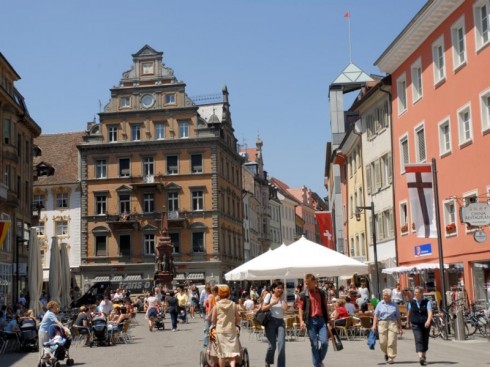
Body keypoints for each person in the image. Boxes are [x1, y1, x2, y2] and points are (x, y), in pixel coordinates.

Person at [298, 274, 329, 367]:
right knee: (314, 345)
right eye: (306, 284)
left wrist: (329, 319)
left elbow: (325, 306)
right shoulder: (303, 294)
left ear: (314, 282)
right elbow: (300, 308)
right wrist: (301, 321)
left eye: (308, 284)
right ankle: (317, 365)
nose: (307, 285)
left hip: (321, 320)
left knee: (324, 343)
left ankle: (318, 361)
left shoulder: (321, 293)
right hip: (311, 321)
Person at [372, 288, 403, 365]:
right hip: (382, 323)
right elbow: (376, 315)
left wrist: (400, 327)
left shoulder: (394, 305)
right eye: (383, 295)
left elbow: (398, 317)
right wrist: (374, 325)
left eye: (386, 295)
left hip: (392, 323)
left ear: (390, 296)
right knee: (382, 342)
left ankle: (391, 357)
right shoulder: (380, 304)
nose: (384, 296)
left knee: (392, 341)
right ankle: (387, 352)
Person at [211, 285, 240, 367]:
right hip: (231, 330)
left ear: (219, 295)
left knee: (221, 354)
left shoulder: (216, 305)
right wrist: (234, 322)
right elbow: (238, 319)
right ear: (229, 294)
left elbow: (213, 320)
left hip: (221, 331)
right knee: (232, 353)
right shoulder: (233, 304)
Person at [262, 281, 289, 367]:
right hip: (271, 322)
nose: (280, 289)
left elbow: (285, 308)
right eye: (278, 288)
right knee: (272, 346)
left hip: (281, 322)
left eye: (281, 288)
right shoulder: (268, 296)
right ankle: (268, 361)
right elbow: (263, 308)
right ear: (273, 289)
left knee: (282, 345)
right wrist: (272, 303)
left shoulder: (282, 297)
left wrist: (281, 299)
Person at [406, 287, 433, 366]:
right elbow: (409, 313)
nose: (415, 293)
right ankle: (421, 357)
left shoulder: (426, 302)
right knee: (418, 339)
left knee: (425, 339)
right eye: (415, 292)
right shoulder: (412, 302)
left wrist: (428, 321)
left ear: (421, 293)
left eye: (417, 292)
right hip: (415, 324)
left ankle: (423, 355)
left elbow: (430, 312)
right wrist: (407, 322)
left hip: (425, 324)